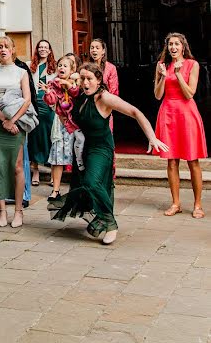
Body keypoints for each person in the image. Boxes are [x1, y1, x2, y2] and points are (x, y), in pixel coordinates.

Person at [49, 63, 168, 244]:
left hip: (102, 148)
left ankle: (111, 224)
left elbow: (135, 112)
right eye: (82, 79)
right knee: (94, 186)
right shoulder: (81, 96)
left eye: (89, 79)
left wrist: (152, 137)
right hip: (85, 148)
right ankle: (104, 219)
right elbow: (62, 90)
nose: (85, 82)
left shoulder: (104, 98)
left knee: (92, 182)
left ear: (99, 80)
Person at [154, 33, 206, 219]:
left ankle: (198, 204)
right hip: (168, 114)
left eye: (176, 44)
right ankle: (175, 203)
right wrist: (161, 77)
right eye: (170, 44)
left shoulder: (193, 65)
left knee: (193, 160)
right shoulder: (162, 65)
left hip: (186, 114)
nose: (173, 47)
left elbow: (189, 93)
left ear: (183, 46)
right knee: (172, 160)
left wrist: (177, 74)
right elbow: (158, 95)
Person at [0, 37, 32, 229]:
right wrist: (3, 121)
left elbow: (27, 99)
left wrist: (12, 121)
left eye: (6, 47)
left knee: (17, 166)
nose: (3, 50)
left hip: (17, 122)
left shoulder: (21, 72)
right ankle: (2, 211)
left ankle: (18, 211)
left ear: (13, 50)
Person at [43, 55, 82, 201]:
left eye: (65, 66)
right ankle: (55, 190)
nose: (61, 68)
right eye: (60, 65)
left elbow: (76, 93)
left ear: (72, 69)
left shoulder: (76, 83)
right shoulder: (53, 83)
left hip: (75, 125)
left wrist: (68, 84)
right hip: (60, 124)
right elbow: (51, 101)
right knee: (57, 156)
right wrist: (47, 92)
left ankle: (78, 188)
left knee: (78, 157)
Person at [28, 40, 57, 187]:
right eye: (40, 47)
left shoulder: (56, 68)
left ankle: (53, 173)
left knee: (50, 138)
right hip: (35, 106)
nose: (43, 49)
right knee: (34, 138)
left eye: (46, 47)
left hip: (49, 106)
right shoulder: (30, 66)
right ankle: (35, 171)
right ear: (37, 50)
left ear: (50, 50)